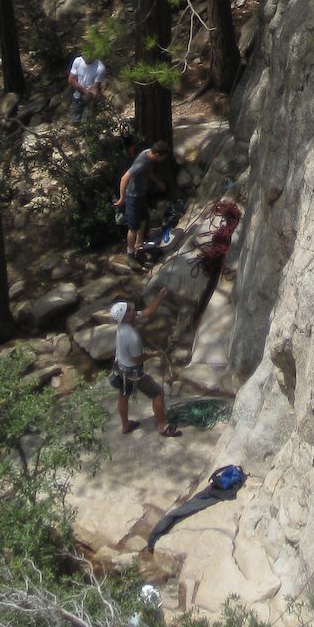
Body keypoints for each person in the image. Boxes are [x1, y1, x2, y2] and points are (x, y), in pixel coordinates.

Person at [110, 289, 178, 436]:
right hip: (132, 372)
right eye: (129, 309)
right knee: (157, 393)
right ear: (126, 317)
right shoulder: (132, 337)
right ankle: (162, 427)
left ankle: (125, 426)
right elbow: (138, 359)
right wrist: (153, 354)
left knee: (123, 394)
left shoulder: (125, 322)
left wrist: (160, 296)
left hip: (119, 369)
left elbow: (147, 312)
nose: (132, 308)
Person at [115, 140, 170, 259]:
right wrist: (121, 198)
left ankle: (139, 245)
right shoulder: (142, 163)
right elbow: (125, 178)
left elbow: (148, 171)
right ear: (157, 155)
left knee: (144, 219)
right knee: (133, 227)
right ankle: (130, 253)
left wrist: (157, 182)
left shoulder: (148, 154)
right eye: (163, 158)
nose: (163, 160)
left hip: (142, 194)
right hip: (132, 197)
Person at [67, 49, 107, 122]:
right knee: (75, 120)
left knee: (88, 120)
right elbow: (71, 79)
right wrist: (83, 90)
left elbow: (96, 87)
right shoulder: (78, 61)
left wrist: (92, 96)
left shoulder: (100, 68)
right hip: (78, 93)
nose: (86, 57)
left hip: (90, 96)